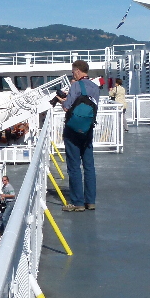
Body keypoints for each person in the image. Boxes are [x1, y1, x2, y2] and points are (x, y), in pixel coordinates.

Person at [60, 59, 100, 211]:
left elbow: (66, 107)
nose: (73, 75)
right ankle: (90, 201)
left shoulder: (75, 85)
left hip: (72, 131)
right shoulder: (96, 87)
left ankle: (77, 203)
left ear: (77, 71)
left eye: (73, 72)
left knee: (74, 166)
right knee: (89, 165)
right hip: (88, 128)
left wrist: (61, 99)